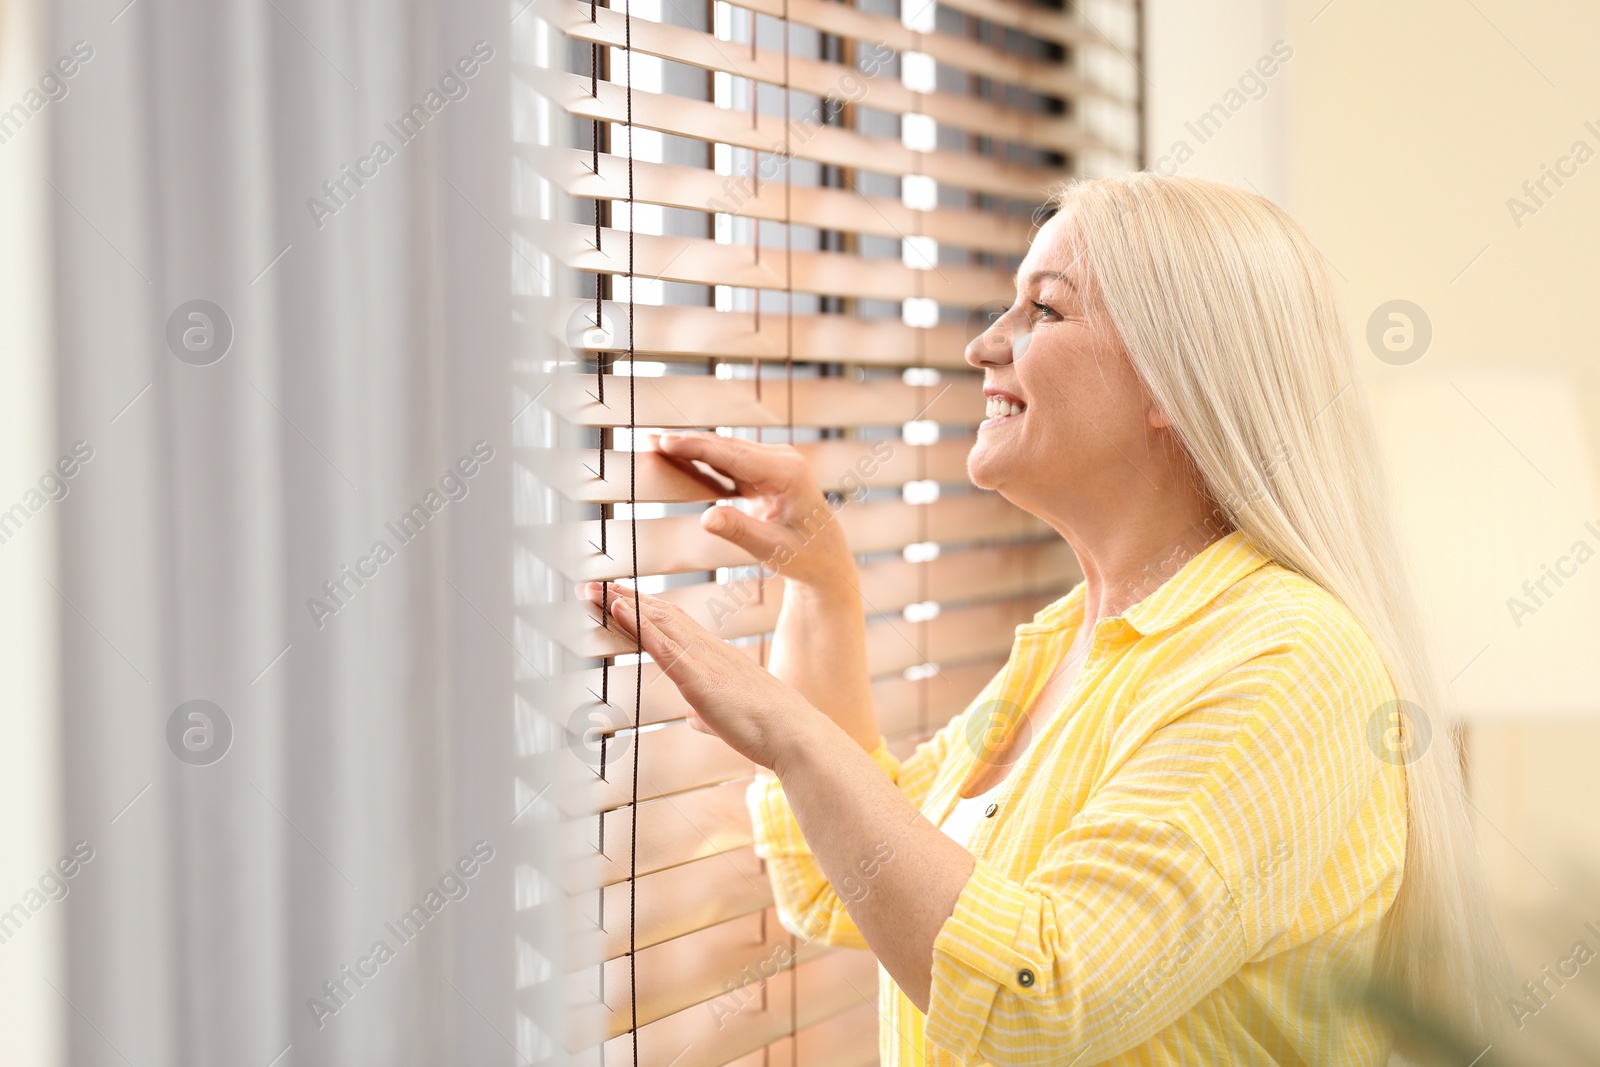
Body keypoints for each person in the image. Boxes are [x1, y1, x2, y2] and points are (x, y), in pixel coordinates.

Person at [583, 172, 1510, 1065]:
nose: (984, 345)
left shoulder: (1288, 662)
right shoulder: (1079, 639)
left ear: (1171, 386)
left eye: (1045, 309)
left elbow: (1043, 996)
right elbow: (852, 883)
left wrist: (787, 731)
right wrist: (822, 585)